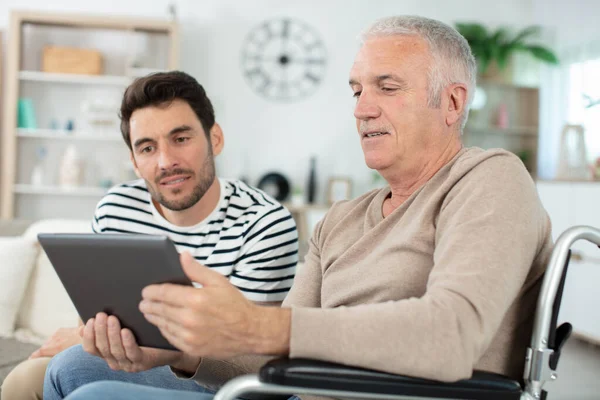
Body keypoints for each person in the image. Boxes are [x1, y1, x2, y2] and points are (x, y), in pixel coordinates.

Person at [53, 15, 554, 400]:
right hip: (294, 391)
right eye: (357, 90)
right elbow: (271, 352)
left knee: (95, 394)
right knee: (74, 367)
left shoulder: (489, 177)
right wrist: (183, 348)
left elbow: (452, 335)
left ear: (452, 103)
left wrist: (259, 324)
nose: (361, 107)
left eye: (387, 86)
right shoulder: (341, 220)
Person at [0, 71, 298, 400]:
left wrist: (84, 342)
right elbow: (97, 317)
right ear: (134, 161)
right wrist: (90, 335)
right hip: (131, 359)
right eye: (147, 148)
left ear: (215, 139)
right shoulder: (116, 209)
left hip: (215, 377)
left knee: (69, 366)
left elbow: (248, 360)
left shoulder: (264, 223)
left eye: (181, 139)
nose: (166, 161)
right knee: (24, 380)